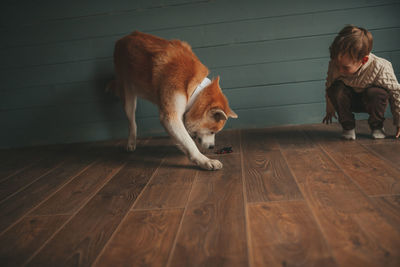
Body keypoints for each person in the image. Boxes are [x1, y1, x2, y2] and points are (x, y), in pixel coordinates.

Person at [322, 25, 400, 140]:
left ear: (364, 60)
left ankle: (377, 126)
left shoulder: (381, 67)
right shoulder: (336, 64)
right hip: (347, 100)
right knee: (335, 89)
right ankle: (348, 127)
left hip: (371, 102)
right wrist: (330, 108)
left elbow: (396, 93)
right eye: (337, 65)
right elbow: (329, 84)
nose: (340, 71)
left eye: (345, 67)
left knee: (377, 92)